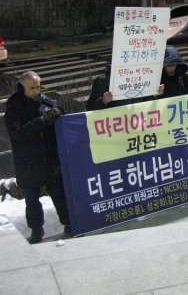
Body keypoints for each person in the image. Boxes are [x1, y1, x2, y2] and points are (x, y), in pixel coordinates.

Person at [4, 71, 71, 244]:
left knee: (58, 194)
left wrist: (57, 111)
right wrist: (42, 120)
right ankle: (36, 230)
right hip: (28, 161)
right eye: (32, 88)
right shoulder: (14, 106)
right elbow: (18, 132)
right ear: (23, 87)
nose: (36, 91)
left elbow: (56, 111)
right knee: (32, 199)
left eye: (38, 87)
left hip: (48, 158)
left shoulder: (43, 100)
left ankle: (69, 223)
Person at [86, 64, 164, 110]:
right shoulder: (104, 80)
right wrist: (104, 101)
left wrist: (154, 93)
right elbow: (90, 107)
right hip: (116, 128)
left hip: (139, 125)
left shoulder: (141, 76)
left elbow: (148, 103)